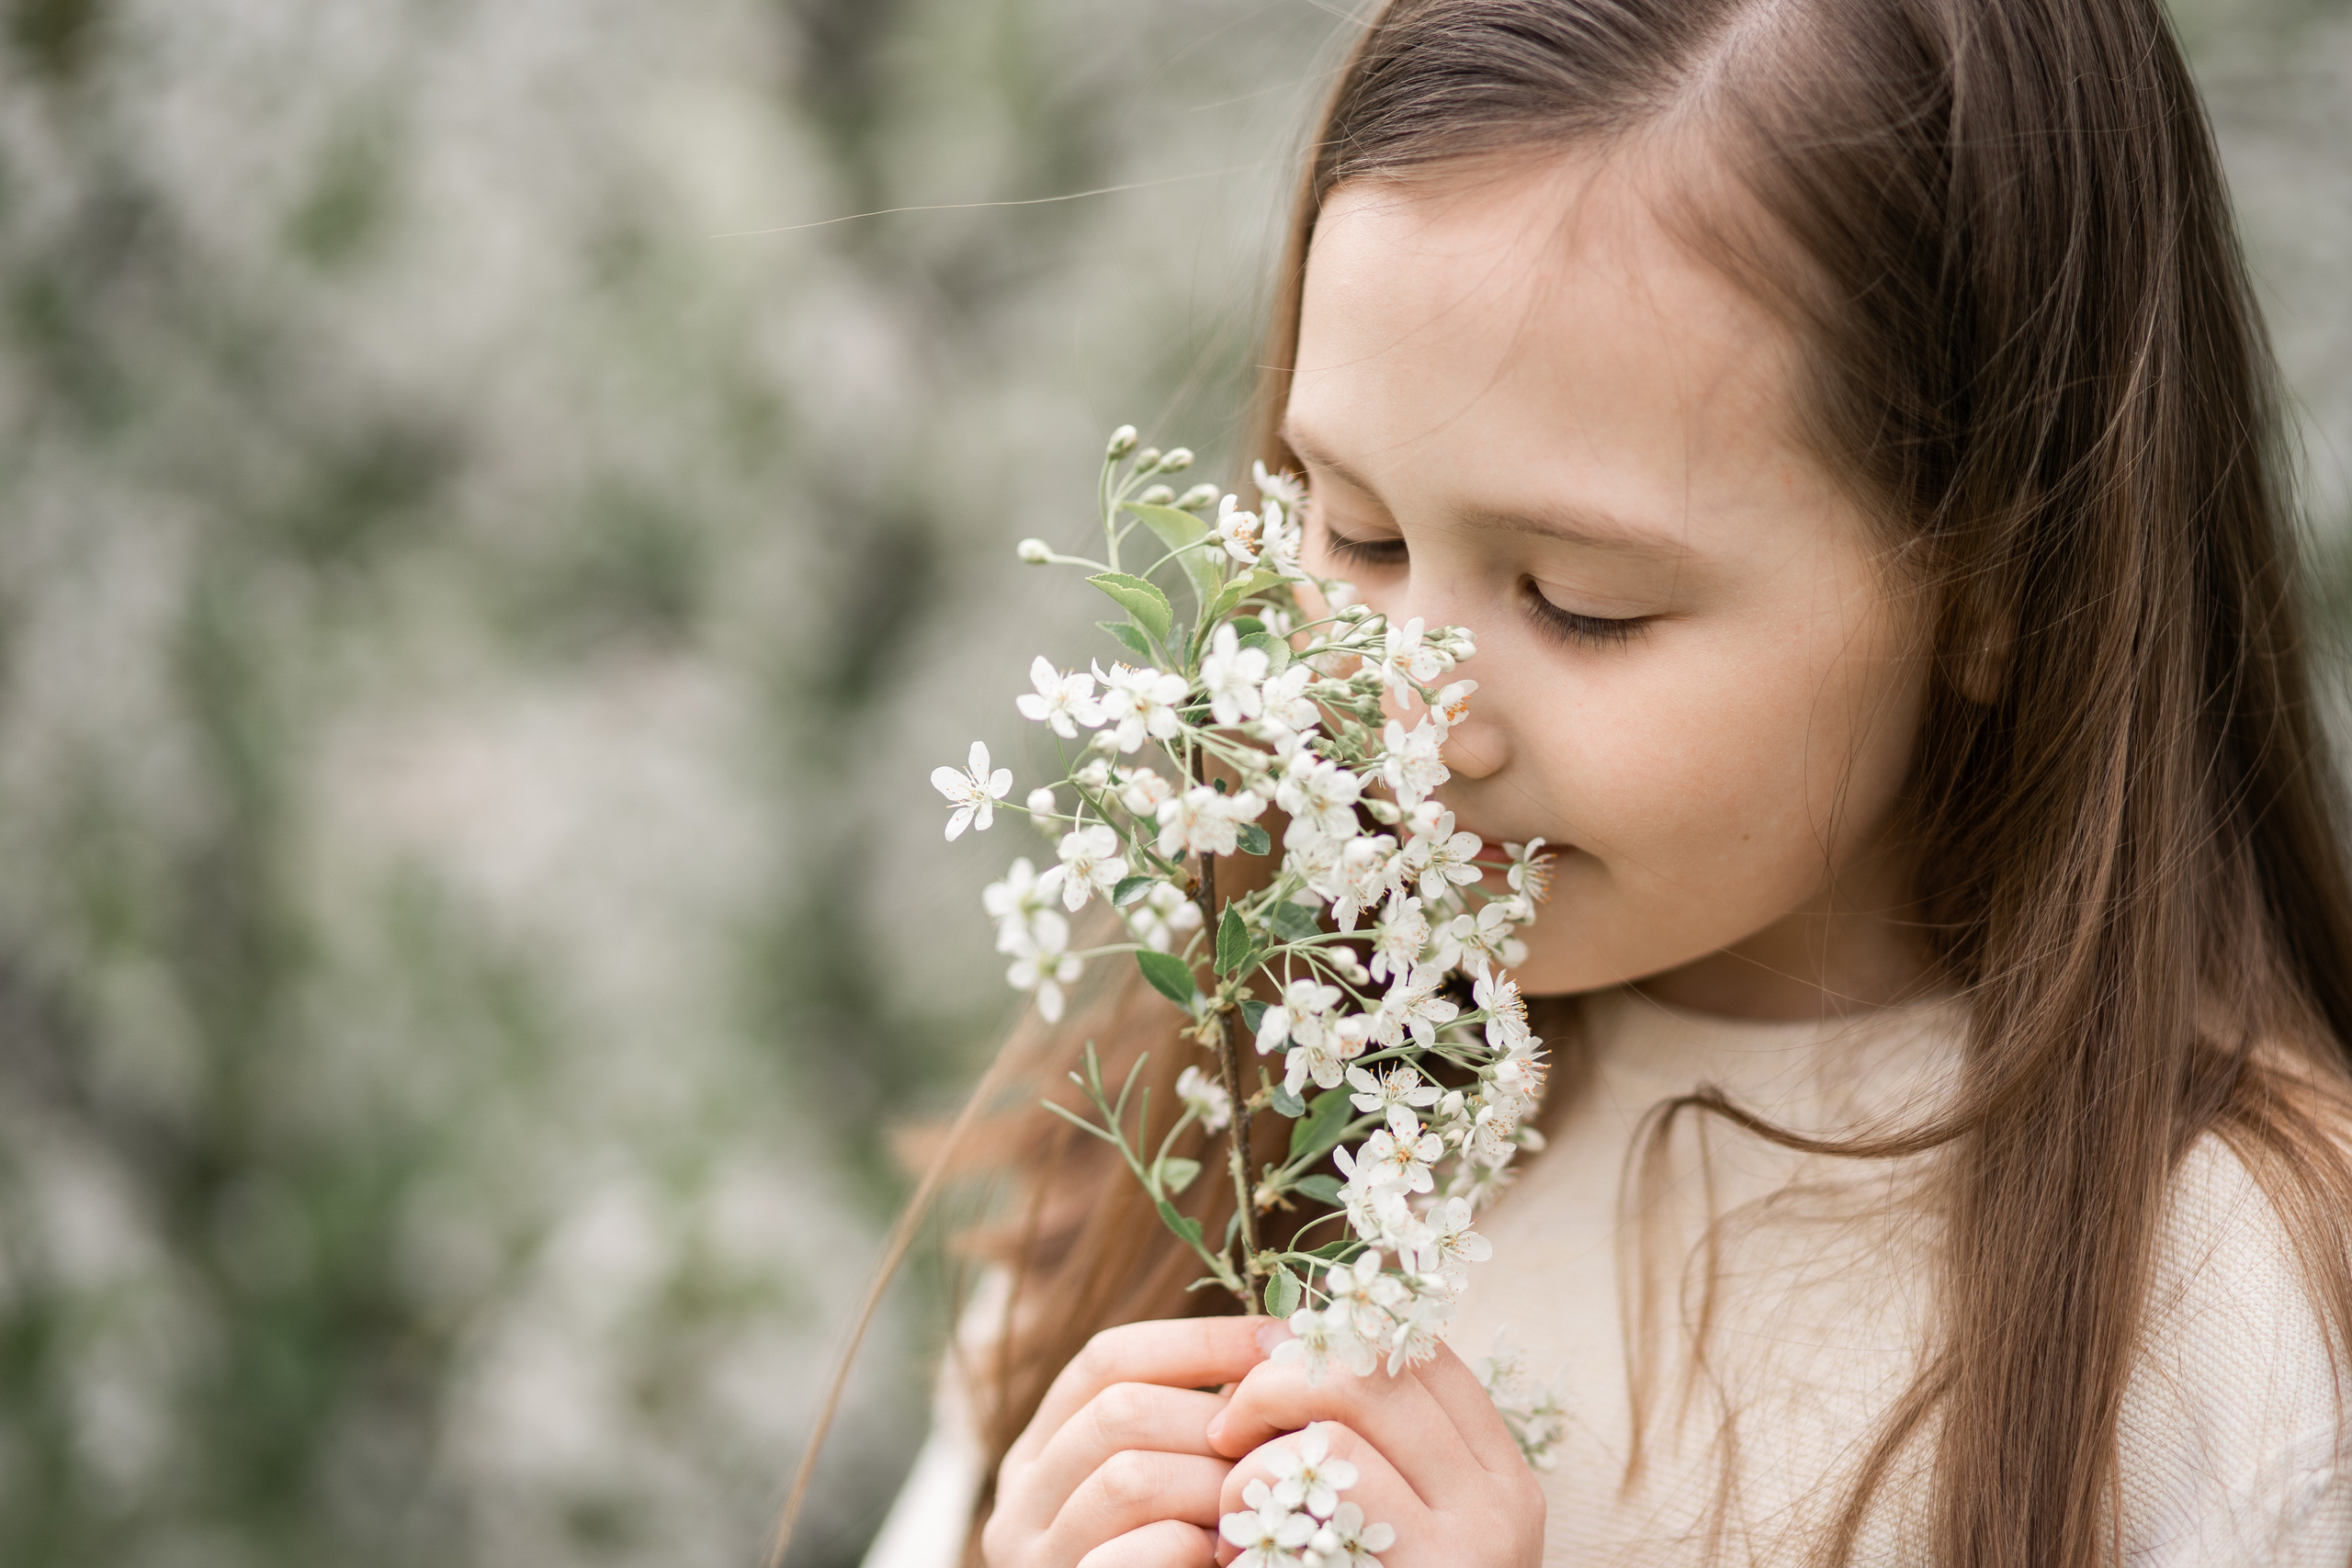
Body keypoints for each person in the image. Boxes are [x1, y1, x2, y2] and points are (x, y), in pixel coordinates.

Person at [864, 1, 2352, 1562]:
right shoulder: (1209, 1105)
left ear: (1993, 580)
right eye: (1355, 532)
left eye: (1582, 603)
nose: (1408, 718)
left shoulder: (2238, 1325)